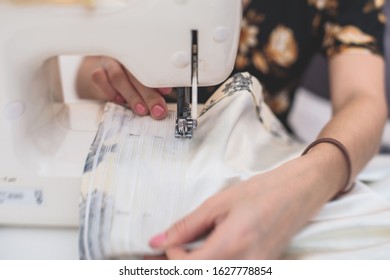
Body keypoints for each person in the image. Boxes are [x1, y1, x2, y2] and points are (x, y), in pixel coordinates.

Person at [76, 0, 388, 259]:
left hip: (264, 156)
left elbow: (362, 98)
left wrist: (307, 182)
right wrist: (109, 72)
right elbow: (85, 75)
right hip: (143, 136)